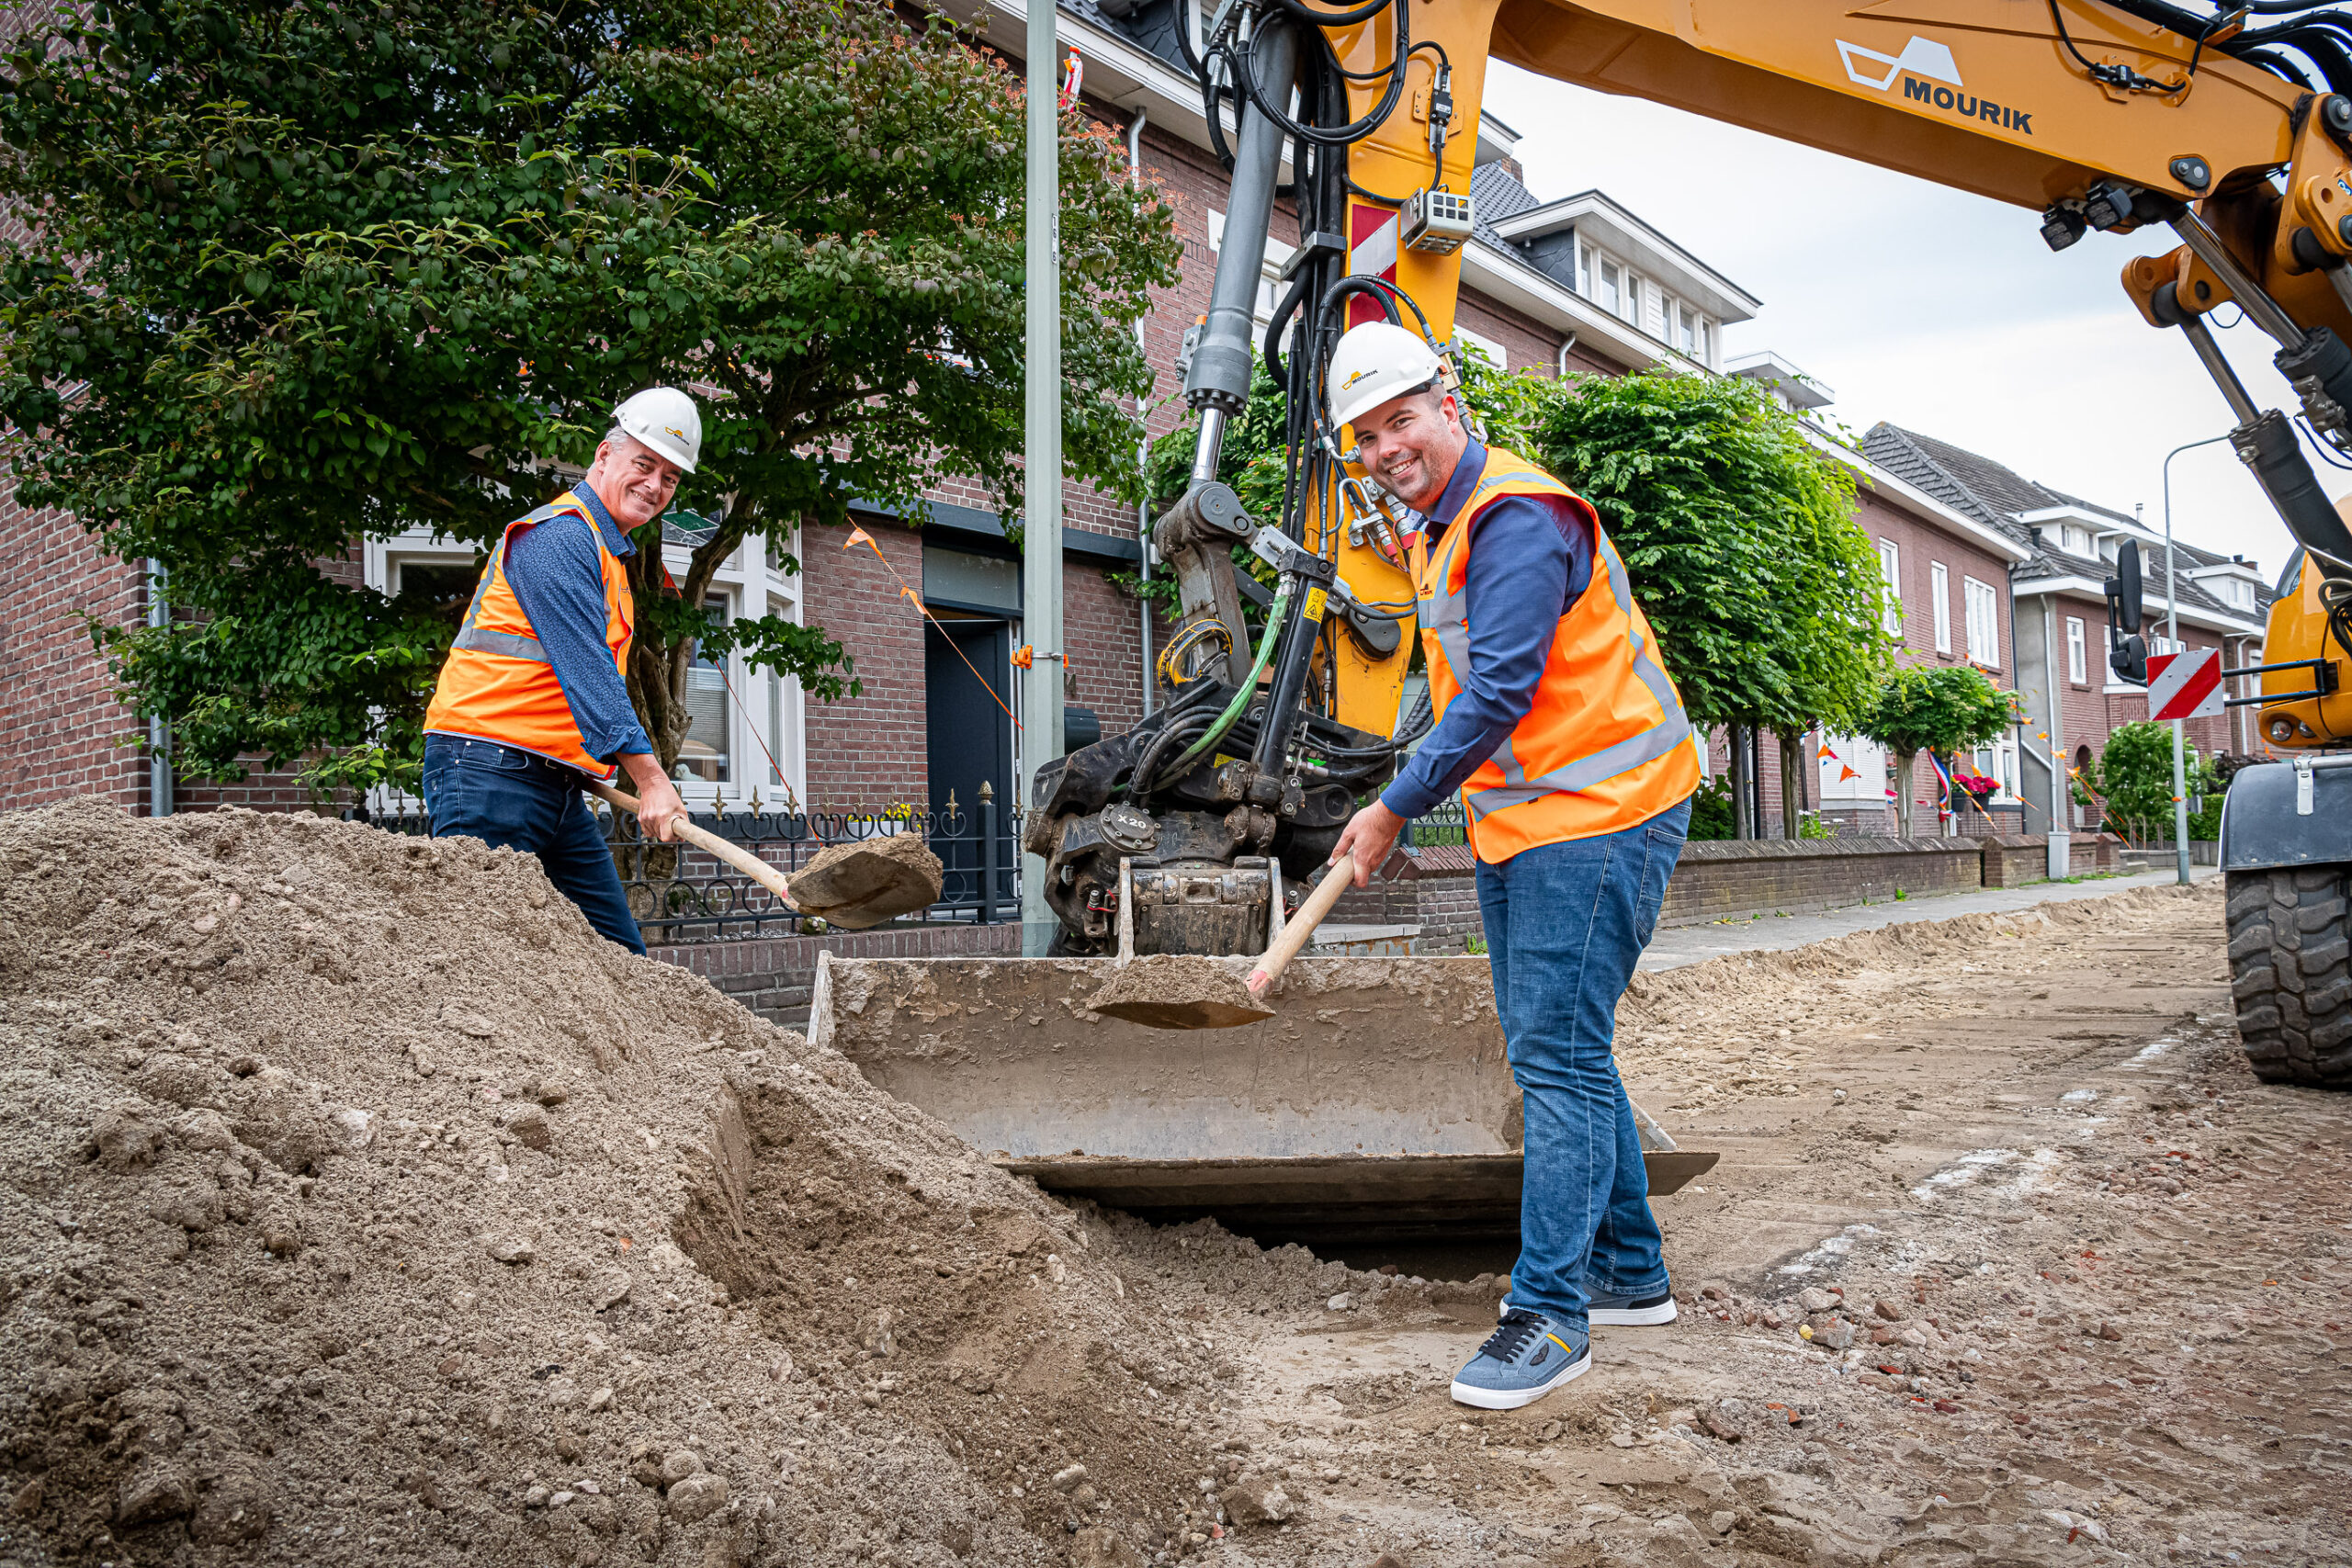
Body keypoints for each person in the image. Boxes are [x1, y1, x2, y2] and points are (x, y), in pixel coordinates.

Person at [1325, 321, 1702, 1410]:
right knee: (1566, 1048)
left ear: (1447, 401)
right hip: (1533, 819)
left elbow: (1496, 694)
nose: (1387, 446)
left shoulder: (1517, 518)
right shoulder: (1439, 529)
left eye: (1401, 419)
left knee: (1557, 1059)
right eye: (1366, 435)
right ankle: (1630, 1274)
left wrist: (1393, 810)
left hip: (1602, 814)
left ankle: (1549, 1316)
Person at [418, 388, 704, 954]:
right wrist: (650, 778)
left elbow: (564, 683)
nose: (654, 486)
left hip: (551, 782)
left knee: (622, 963)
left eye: (670, 478)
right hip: (486, 773)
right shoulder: (558, 537)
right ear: (604, 455)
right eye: (643, 464)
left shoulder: (604, 551)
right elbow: (586, 671)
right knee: (483, 962)